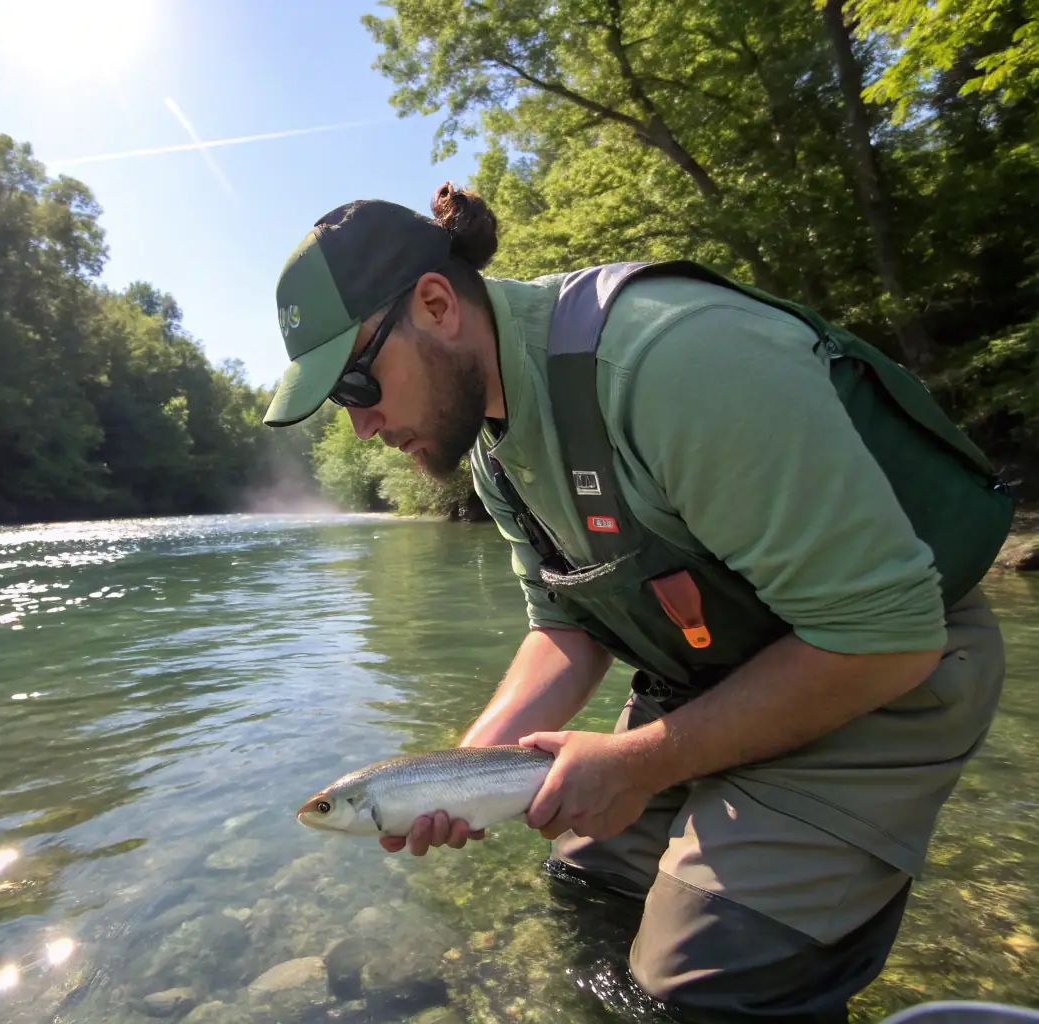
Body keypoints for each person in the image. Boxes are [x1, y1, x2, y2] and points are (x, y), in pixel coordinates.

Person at [262, 184, 1013, 1023]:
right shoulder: (496, 452)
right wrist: (463, 770)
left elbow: (885, 636)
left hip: (880, 673)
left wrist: (640, 763)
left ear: (435, 305)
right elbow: (564, 625)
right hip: (706, 677)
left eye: (356, 385)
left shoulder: (676, 358)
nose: (360, 427)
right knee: (588, 889)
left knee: (699, 982)